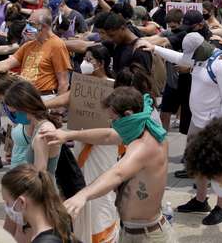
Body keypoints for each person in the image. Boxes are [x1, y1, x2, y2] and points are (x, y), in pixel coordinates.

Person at [41, 87, 173, 243]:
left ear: (128, 115)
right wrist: (68, 135)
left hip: (148, 236)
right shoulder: (140, 128)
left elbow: (117, 173)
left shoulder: (145, 145)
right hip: (132, 231)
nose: (113, 124)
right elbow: (107, 136)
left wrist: (83, 195)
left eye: (114, 120)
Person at [141, 32, 222, 225]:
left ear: (201, 49)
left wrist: (219, 128)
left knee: (216, 167)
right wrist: (155, 48)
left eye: (191, 54)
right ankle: (201, 200)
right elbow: (178, 56)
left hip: (213, 126)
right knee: (195, 163)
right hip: (196, 122)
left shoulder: (221, 66)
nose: (188, 59)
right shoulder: (199, 59)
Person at [0, 9, 69, 97]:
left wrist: (57, 108)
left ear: (43, 26)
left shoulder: (57, 45)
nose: (27, 27)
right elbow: (4, 64)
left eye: (31, 24)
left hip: (44, 98)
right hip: (25, 97)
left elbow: (64, 82)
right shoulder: (28, 45)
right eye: (27, 23)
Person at [1, 164, 77, 243]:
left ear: (22, 202)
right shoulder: (60, 225)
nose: (6, 207)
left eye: (7, 202)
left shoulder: (44, 240)